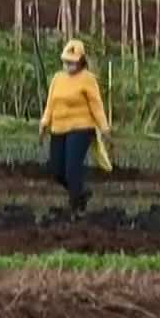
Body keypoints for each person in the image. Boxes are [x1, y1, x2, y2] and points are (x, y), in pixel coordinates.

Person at [38, 39, 112, 209]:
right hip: (58, 129)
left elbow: (96, 105)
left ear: (80, 62)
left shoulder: (88, 79)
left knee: (72, 169)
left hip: (81, 128)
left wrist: (104, 128)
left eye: (72, 63)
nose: (68, 66)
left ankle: (75, 207)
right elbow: (50, 104)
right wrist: (44, 124)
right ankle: (80, 193)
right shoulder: (57, 78)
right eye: (65, 62)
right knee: (57, 171)